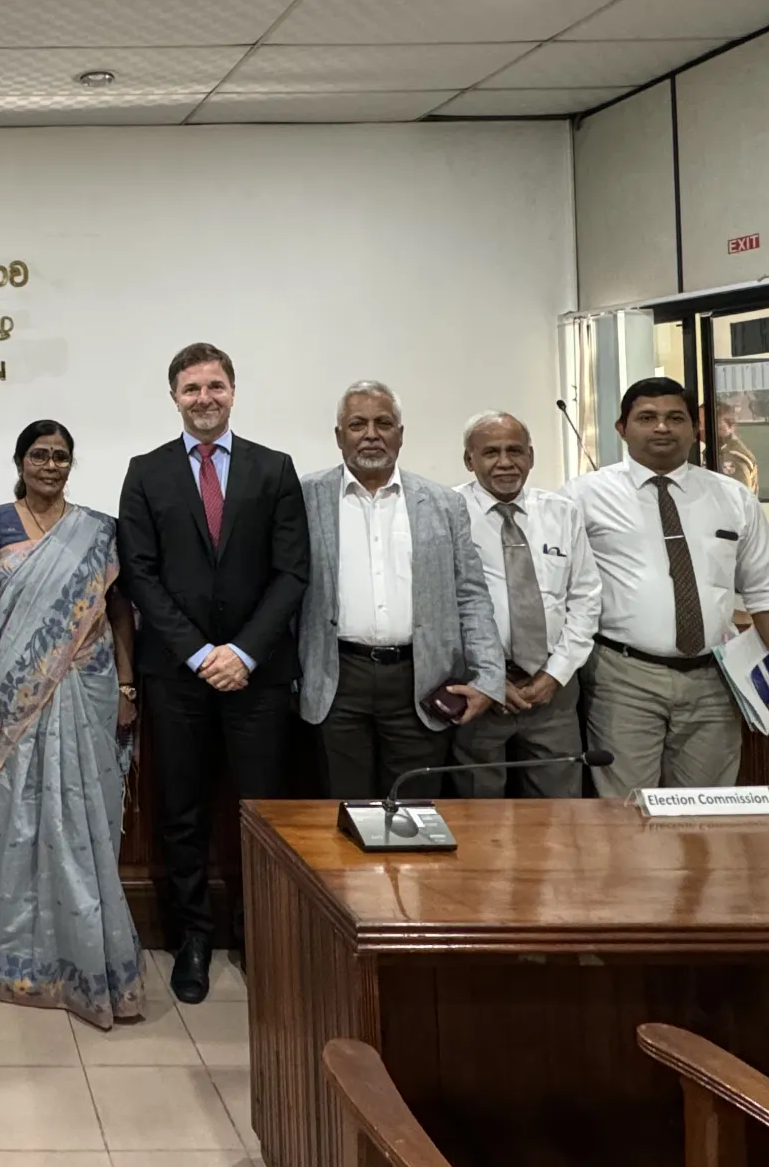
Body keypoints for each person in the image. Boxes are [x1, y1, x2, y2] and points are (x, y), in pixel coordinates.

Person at [116, 341, 309, 1003]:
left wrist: (243, 653)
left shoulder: (274, 469)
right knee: (183, 812)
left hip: (258, 676)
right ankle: (191, 939)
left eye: (215, 386)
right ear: (174, 397)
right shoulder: (146, 472)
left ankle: (262, 934)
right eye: (192, 388)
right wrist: (200, 654)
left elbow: (292, 573)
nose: (205, 398)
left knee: (262, 813)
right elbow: (139, 575)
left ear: (233, 390)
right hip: (177, 676)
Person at [0, 420, 144, 1029]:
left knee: (84, 826)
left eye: (61, 456)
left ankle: (90, 959)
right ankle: (18, 963)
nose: (50, 465)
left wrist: (126, 684)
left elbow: (119, 611)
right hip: (10, 702)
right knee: (17, 821)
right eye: (39, 455)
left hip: (88, 693)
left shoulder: (97, 530)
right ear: (19, 461)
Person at [564, 377, 769, 795]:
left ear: (694, 428)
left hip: (714, 680)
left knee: (708, 814)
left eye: (675, 417)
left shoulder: (733, 498)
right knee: (624, 814)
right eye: (647, 418)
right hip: (622, 678)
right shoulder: (581, 497)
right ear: (621, 428)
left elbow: (768, 591)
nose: (662, 427)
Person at [299, 381, 502, 799]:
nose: (371, 434)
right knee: (344, 809)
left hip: (421, 679)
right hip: (337, 677)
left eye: (383, 423)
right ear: (339, 436)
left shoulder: (443, 503)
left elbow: (471, 595)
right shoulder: (305, 497)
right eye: (357, 424)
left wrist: (489, 677)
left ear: (400, 434)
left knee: (415, 808)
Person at [450, 411, 602, 798]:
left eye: (515, 451)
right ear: (470, 460)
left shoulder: (562, 513)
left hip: (552, 691)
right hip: (478, 692)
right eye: (491, 452)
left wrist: (556, 674)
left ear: (531, 456)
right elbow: (440, 609)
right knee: (480, 817)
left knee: (559, 817)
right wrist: (487, 677)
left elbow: (585, 599)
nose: (505, 462)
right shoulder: (445, 512)